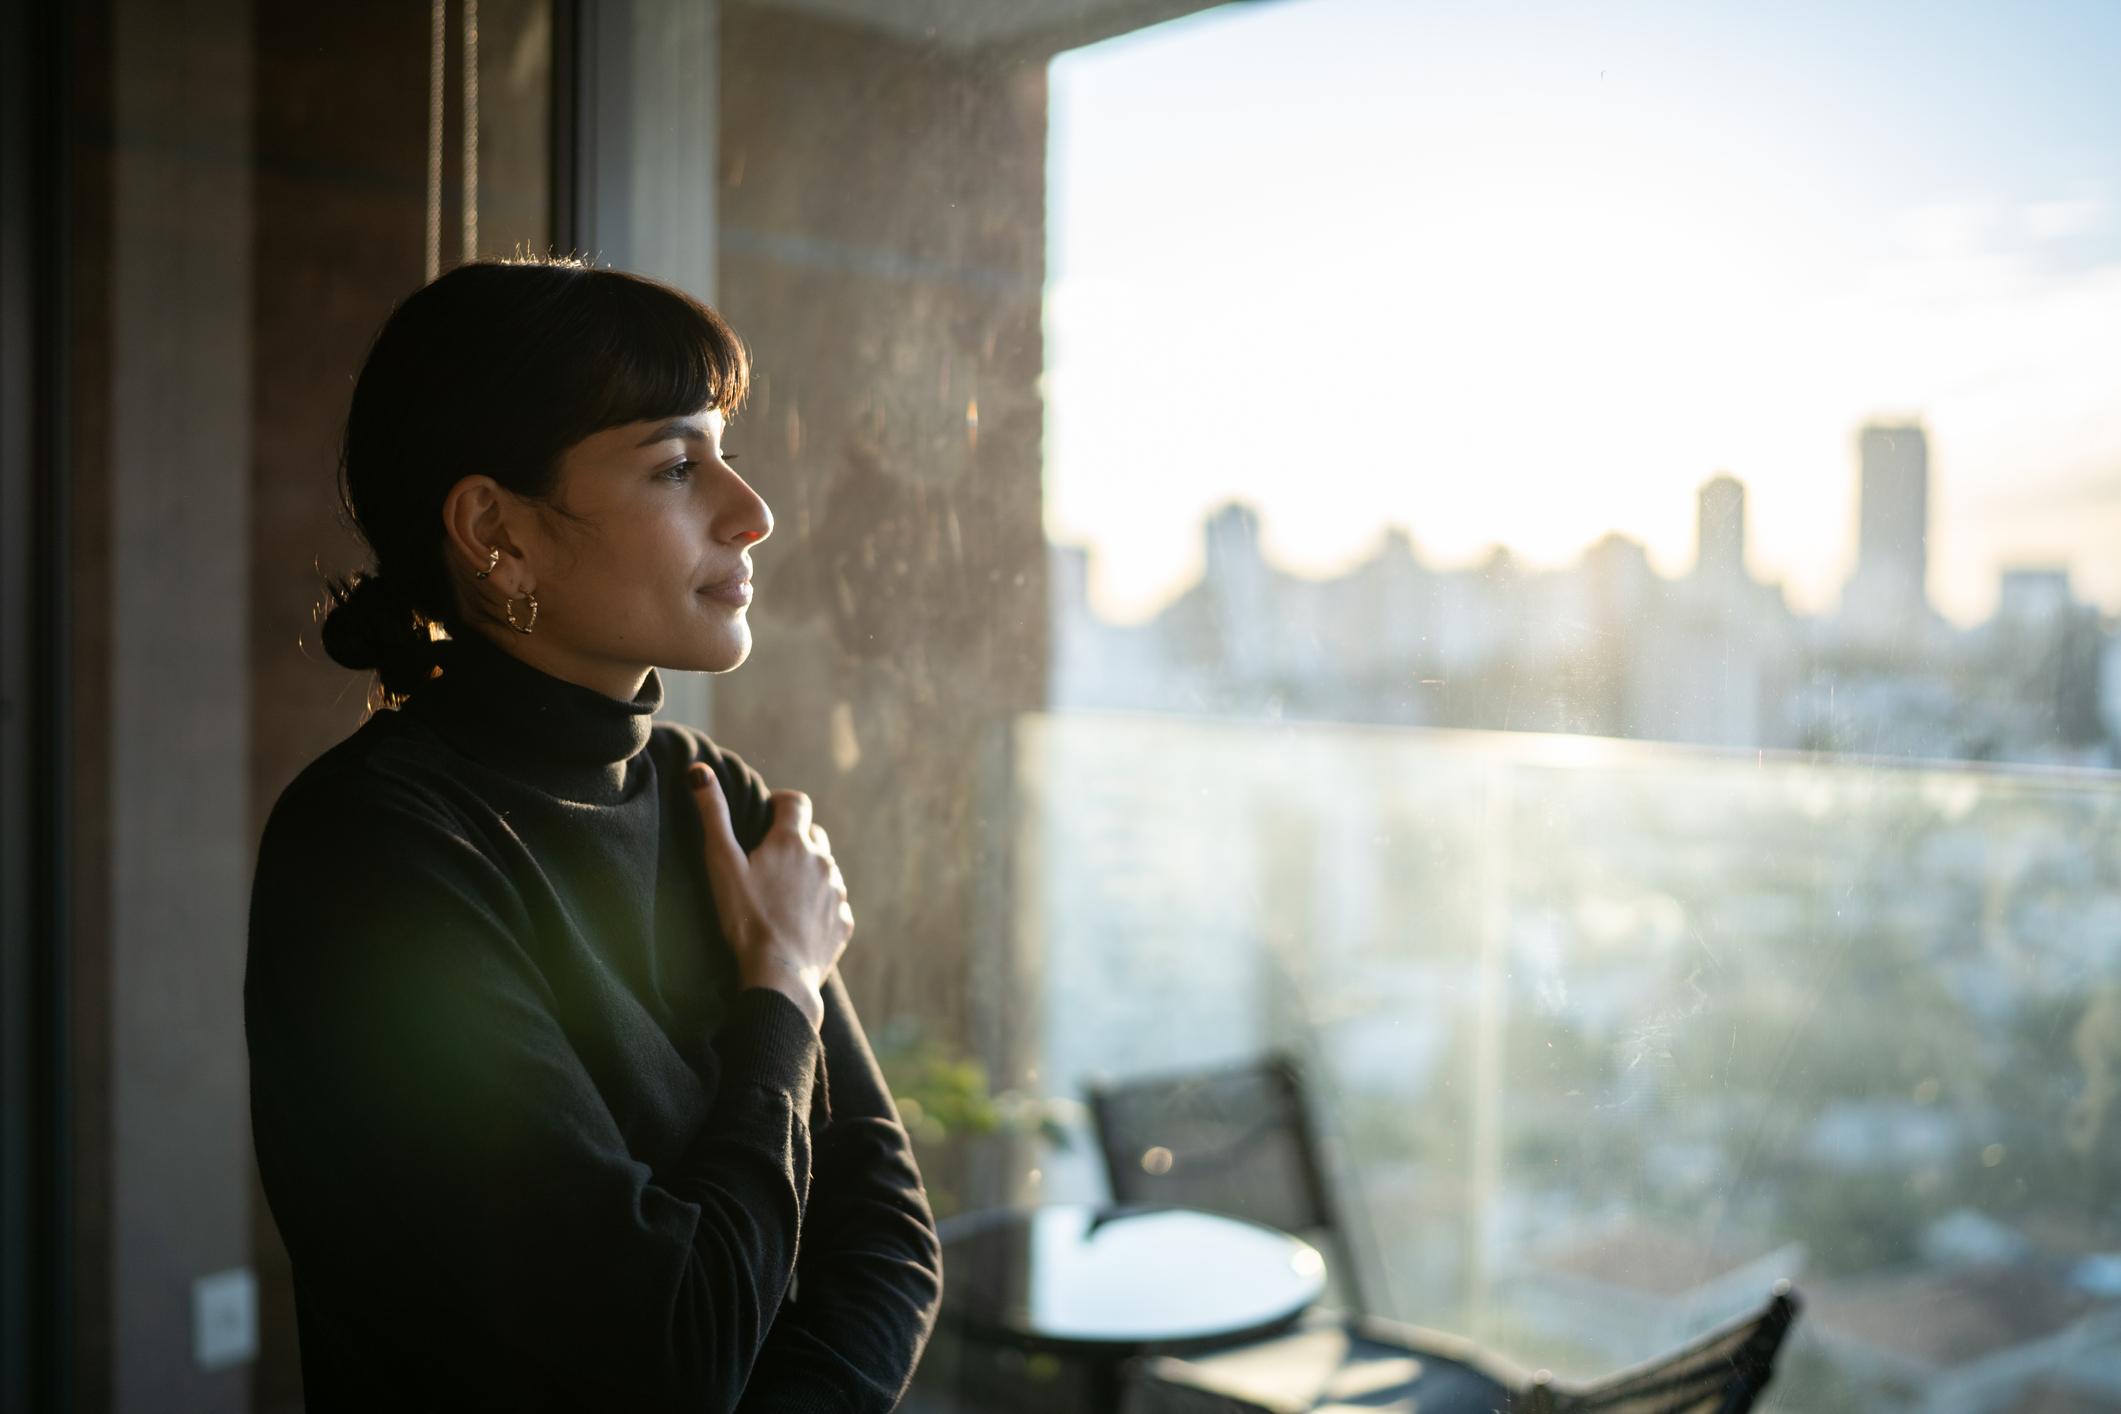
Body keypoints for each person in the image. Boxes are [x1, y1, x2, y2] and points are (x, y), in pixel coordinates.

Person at [243, 257, 942, 1412]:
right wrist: (781, 986)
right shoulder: (372, 854)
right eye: (678, 464)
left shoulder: (718, 793)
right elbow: (667, 1353)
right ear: (496, 532)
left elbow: (886, 1238)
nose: (751, 508)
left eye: (724, 447)